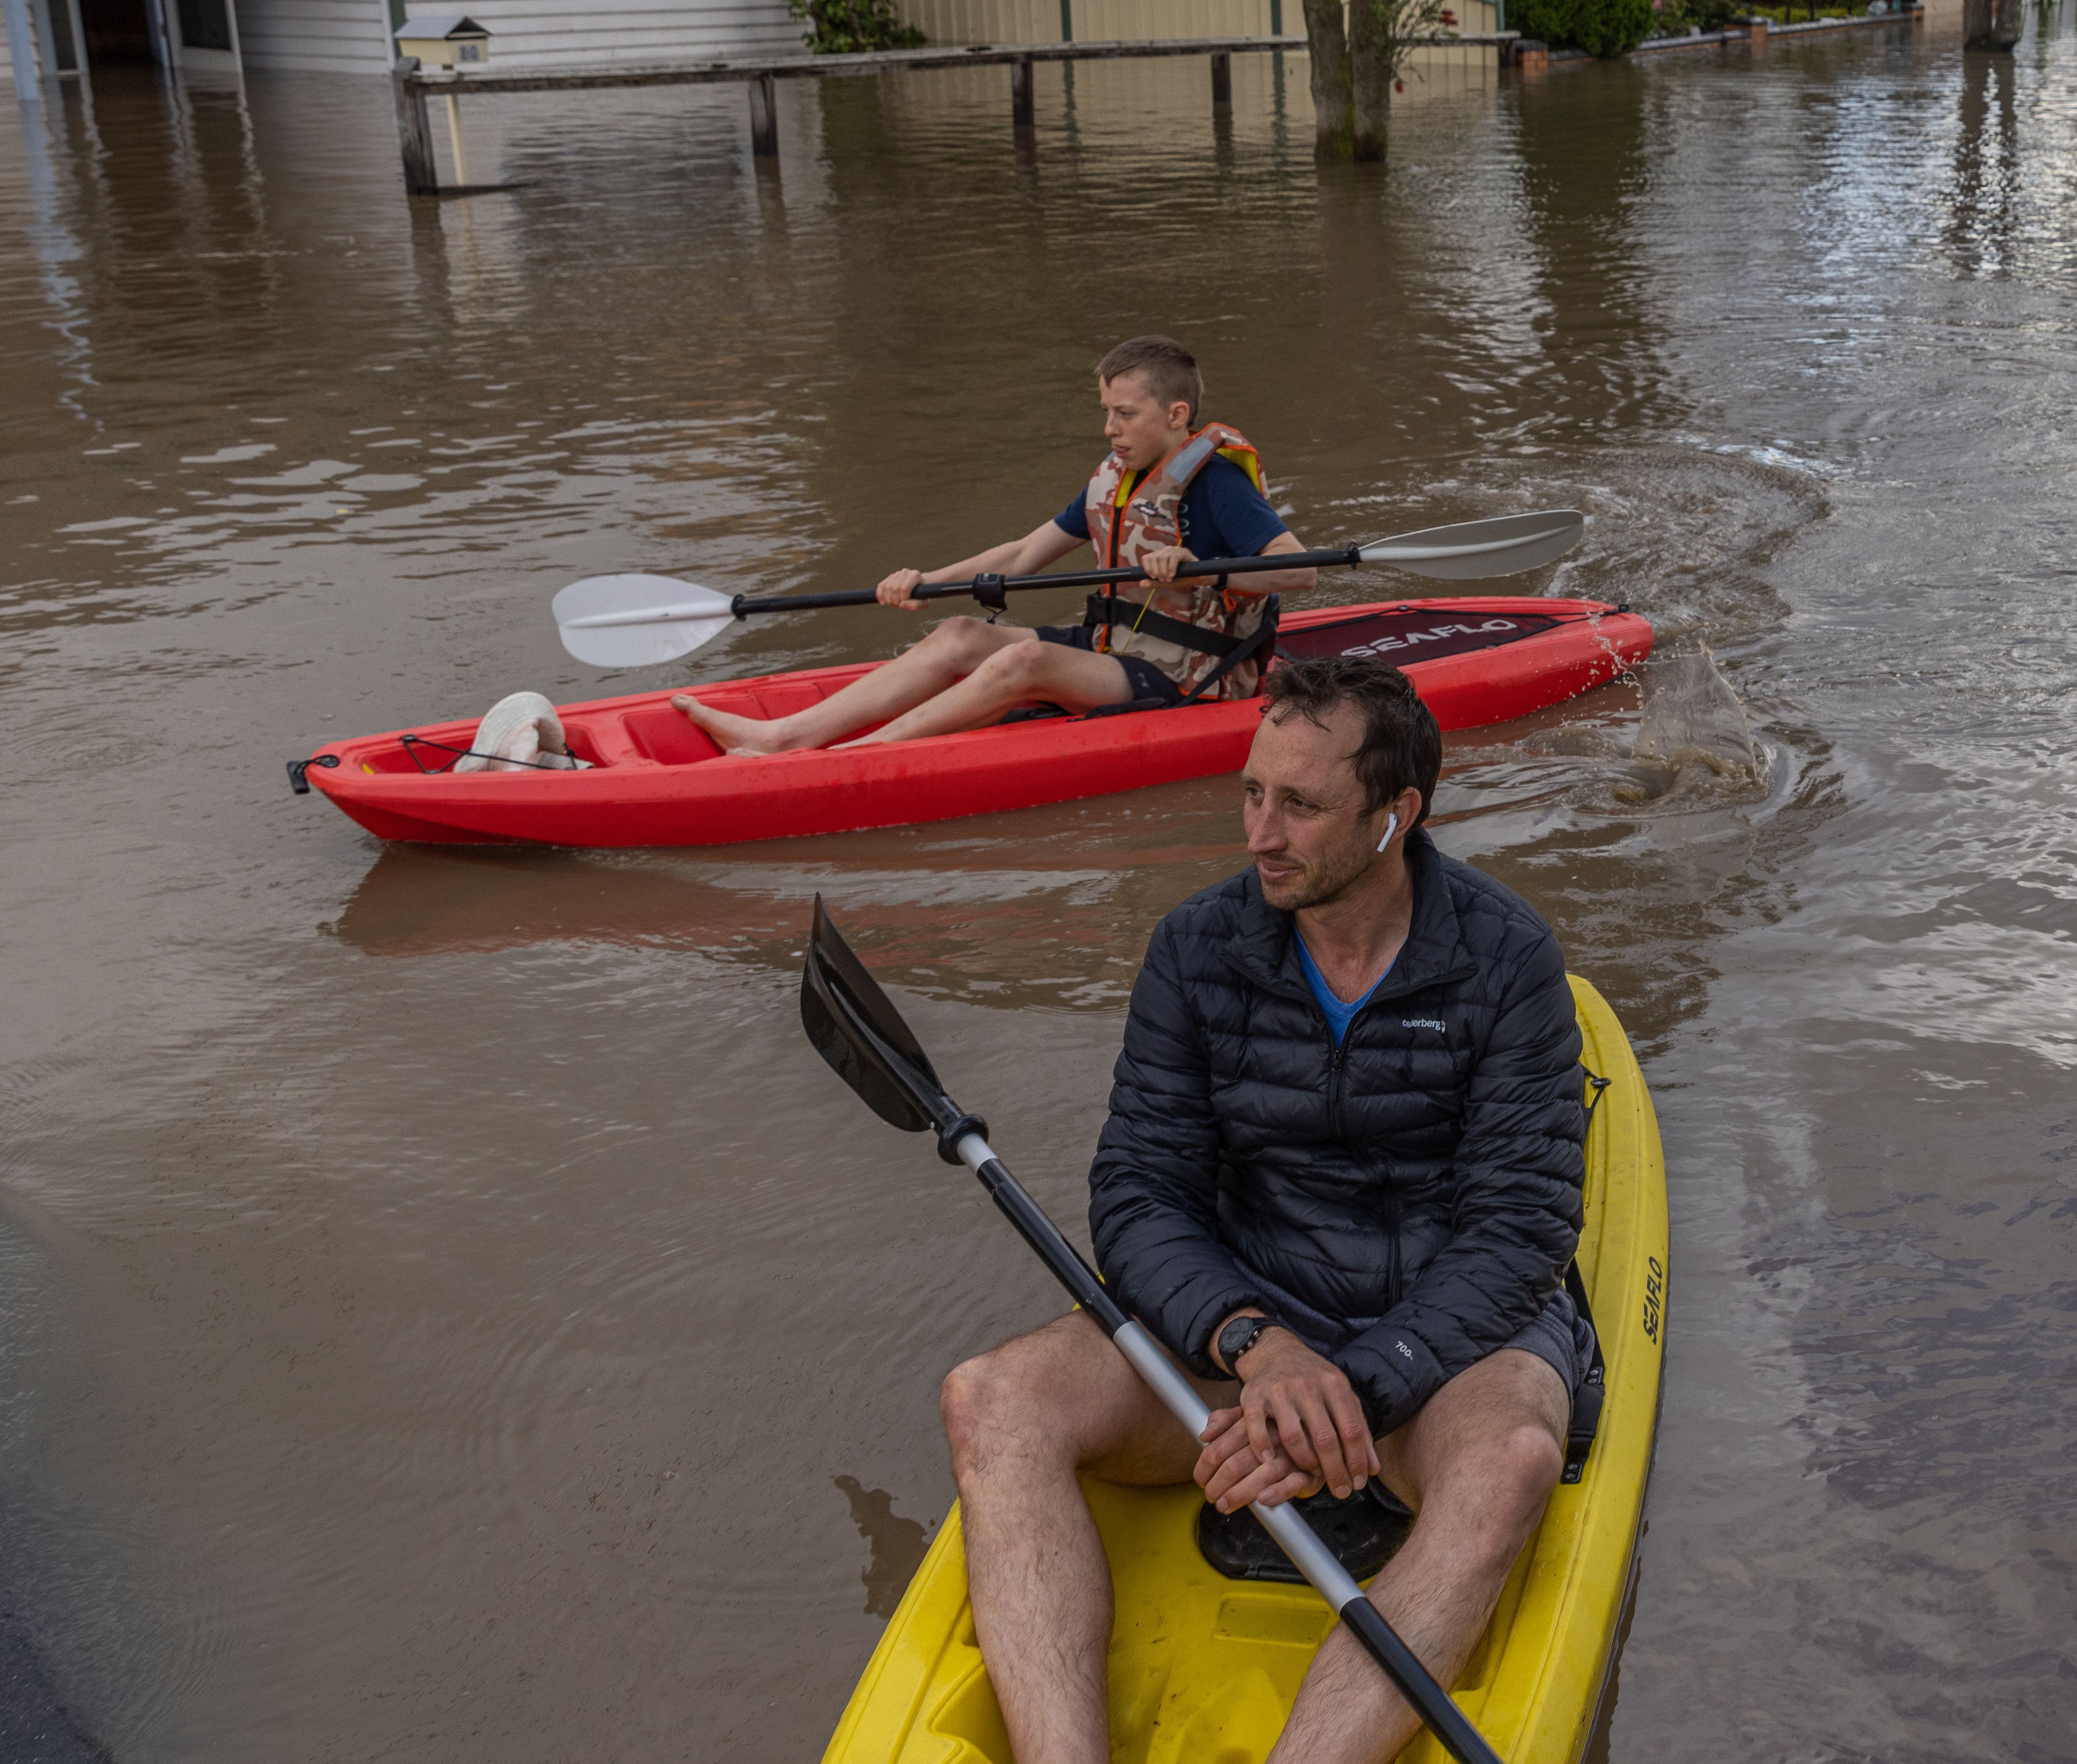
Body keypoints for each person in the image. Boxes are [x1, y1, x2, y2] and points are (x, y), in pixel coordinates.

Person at [935, 658, 1591, 1764]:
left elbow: (1520, 1230)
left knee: (1508, 1464)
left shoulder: (1508, 960)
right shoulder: (1197, 949)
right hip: (1255, 1311)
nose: (1259, 832)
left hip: (1446, 1342)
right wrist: (1252, 1343)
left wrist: (1355, 1389)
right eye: (1250, 792)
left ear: (1397, 816)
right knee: (988, 1399)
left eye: (1299, 804)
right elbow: (1140, 1194)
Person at [675, 336, 1312, 754]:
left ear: (1177, 415)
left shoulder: (1221, 484)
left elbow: (1298, 572)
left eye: (1125, 413)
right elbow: (1019, 556)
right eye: (1106, 411)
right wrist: (927, 581)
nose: (1110, 429)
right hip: (1113, 651)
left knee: (1019, 663)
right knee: (959, 635)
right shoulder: (1118, 480)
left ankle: (849, 760)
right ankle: (784, 737)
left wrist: (1204, 573)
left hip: (1194, 677)